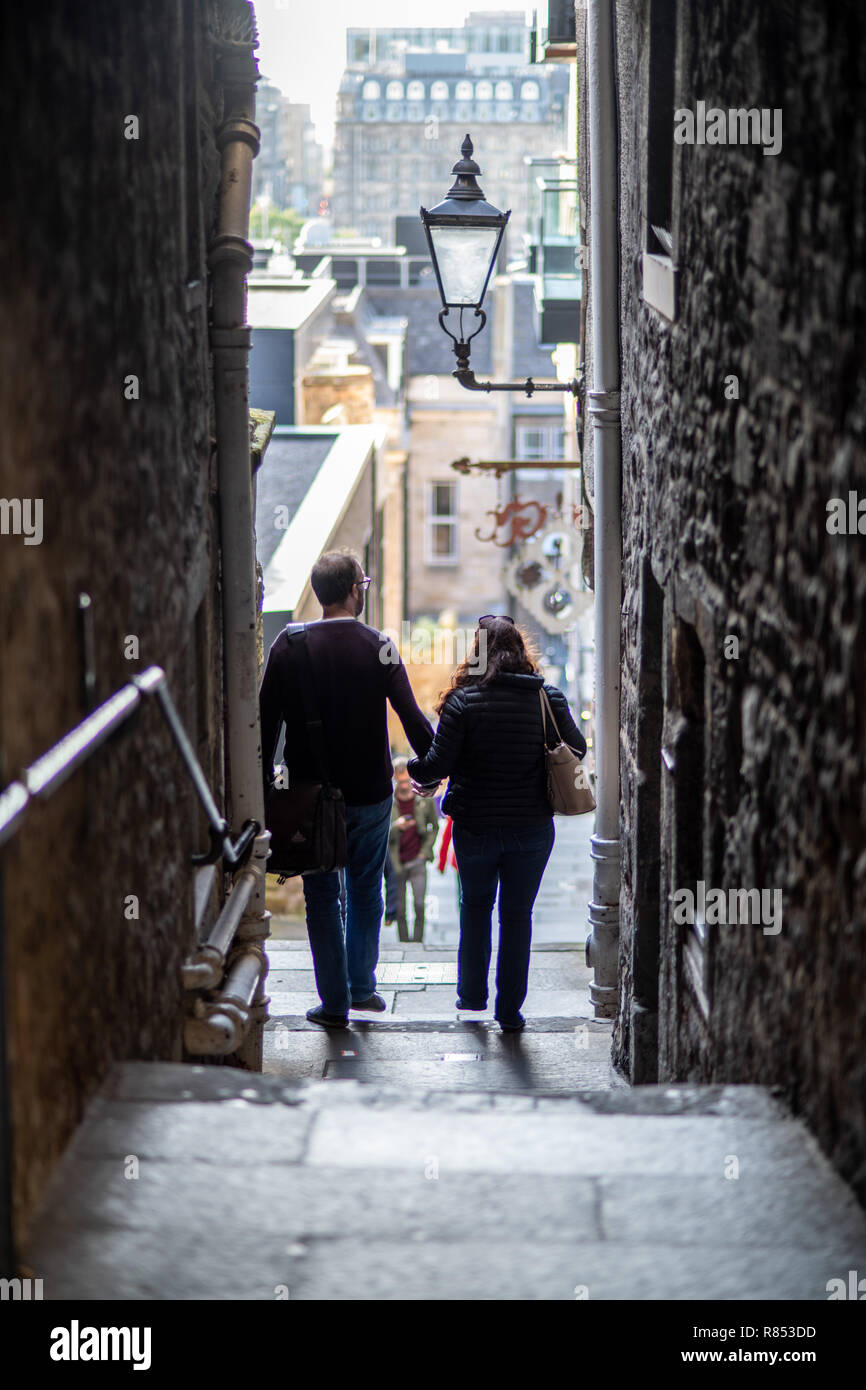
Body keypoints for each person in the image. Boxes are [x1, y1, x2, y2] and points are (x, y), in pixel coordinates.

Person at [260, 551, 434, 1027]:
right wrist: (435, 768)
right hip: (370, 794)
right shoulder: (379, 646)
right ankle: (362, 987)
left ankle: (333, 1002)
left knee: (321, 896)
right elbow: (412, 720)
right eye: (365, 583)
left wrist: (259, 793)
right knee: (364, 889)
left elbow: (264, 726)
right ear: (356, 589)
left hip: (309, 796)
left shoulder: (288, 647)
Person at [407, 615, 586, 1032]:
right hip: (531, 828)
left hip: (476, 826)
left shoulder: (463, 702)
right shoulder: (547, 697)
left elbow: (437, 764)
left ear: (477, 652)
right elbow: (575, 747)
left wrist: (413, 768)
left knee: (475, 908)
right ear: (521, 650)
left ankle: (472, 996)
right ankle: (510, 1010)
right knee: (518, 915)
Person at [388, 757, 438, 942]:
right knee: (400, 909)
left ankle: (417, 943)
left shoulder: (423, 801)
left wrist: (425, 851)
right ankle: (404, 945)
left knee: (419, 904)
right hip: (397, 861)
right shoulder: (389, 801)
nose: (404, 785)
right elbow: (382, 831)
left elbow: (434, 826)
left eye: (407, 781)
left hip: (418, 859)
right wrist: (396, 827)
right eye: (400, 781)